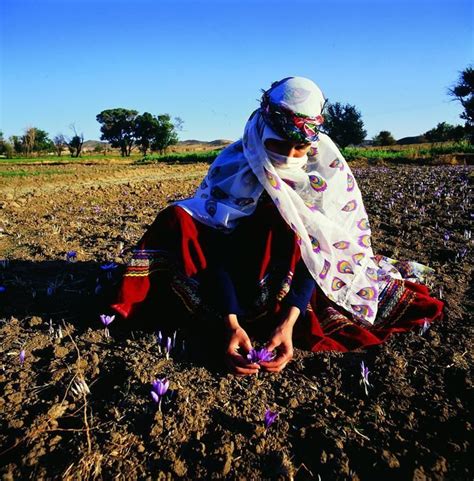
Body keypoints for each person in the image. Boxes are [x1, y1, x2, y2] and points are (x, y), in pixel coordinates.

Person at [111, 76, 444, 375]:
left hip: (285, 285)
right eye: (279, 144)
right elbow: (215, 246)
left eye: (299, 147)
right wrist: (229, 322)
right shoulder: (235, 163)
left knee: (290, 216)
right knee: (177, 218)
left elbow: (321, 251)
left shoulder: (324, 168)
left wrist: (289, 323)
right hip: (226, 277)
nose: (288, 156)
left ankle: (270, 319)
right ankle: (219, 317)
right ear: (264, 130)